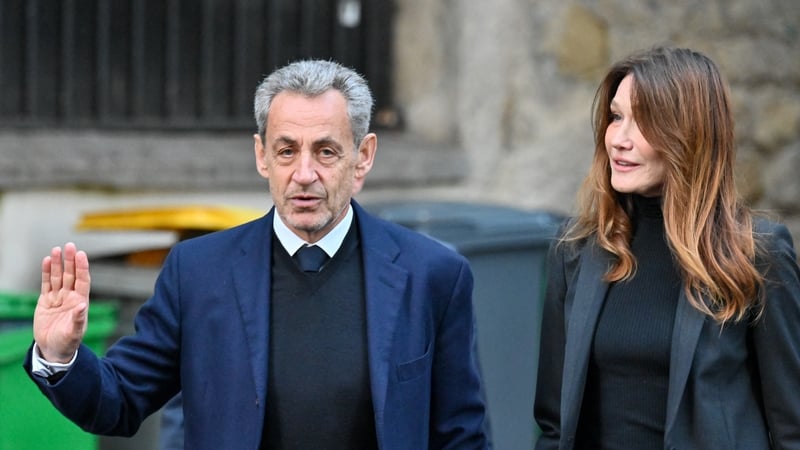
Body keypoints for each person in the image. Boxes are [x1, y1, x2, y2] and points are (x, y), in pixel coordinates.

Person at [25, 59, 489, 449]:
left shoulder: (432, 274)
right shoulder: (198, 271)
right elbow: (119, 401)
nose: (304, 174)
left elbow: (462, 435)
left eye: (326, 152)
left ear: (363, 156)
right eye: (286, 151)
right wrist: (60, 354)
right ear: (261, 155)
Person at [534, 46, 800, 449]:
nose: (619, 140)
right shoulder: (577, 250)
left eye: (643, 122)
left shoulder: (756, 253)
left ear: (689, 136)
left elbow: (791, 426)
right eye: (617, 116)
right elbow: (554, 425)